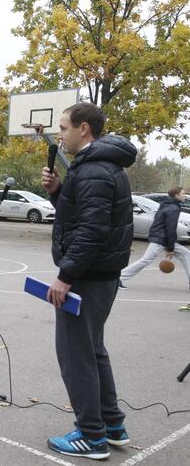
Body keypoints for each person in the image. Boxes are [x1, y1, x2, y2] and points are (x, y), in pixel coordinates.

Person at [41, 102, 136, 460]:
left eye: (64, 128)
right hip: (99, 275)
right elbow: (84, 212)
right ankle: (111, 425)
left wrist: (65, 277)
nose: (61, 135)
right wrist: (58, 191)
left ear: (84, 129)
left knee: (76, 353)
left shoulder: (95, 169)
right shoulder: (98, 166)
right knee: (93, 350)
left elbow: (92, 230)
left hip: (87, 277)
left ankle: (92, 436)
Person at [119, 187, 190, 289]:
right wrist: (170, 248)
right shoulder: (173, 208)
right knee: (145, 260)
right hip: (160, 239)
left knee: (186, 254)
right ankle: (119, 278)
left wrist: (170, 246)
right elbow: (170, 228)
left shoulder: (166, 204)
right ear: (176, 195)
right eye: (183, 193)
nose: (185, 195)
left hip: (161, 237)